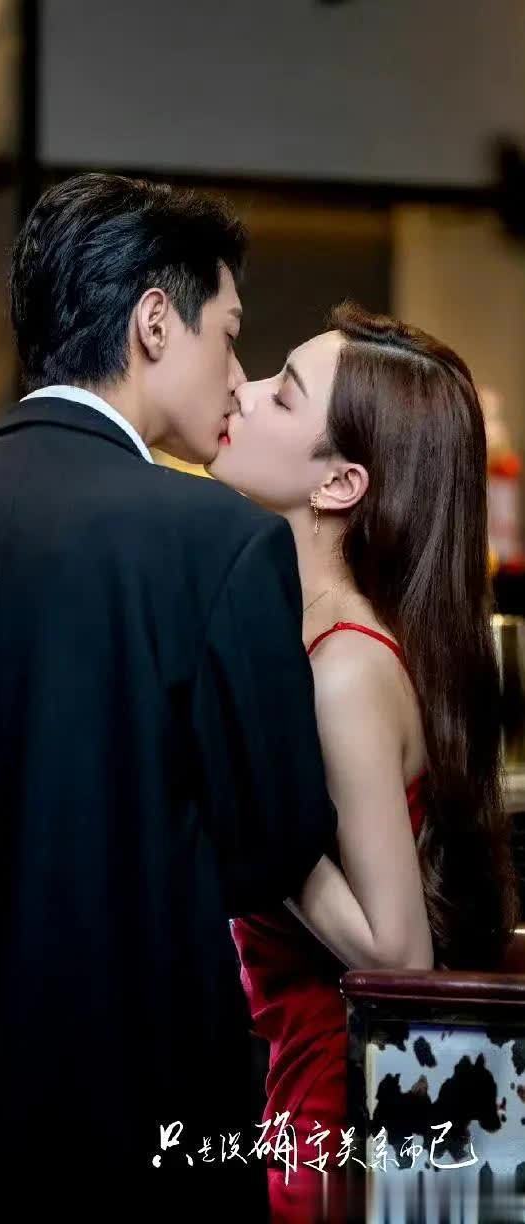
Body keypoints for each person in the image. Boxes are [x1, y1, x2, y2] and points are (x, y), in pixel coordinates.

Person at [0, 174, 337, 1220]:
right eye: (228, 334)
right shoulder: (220, 543)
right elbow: (272, 842)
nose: (235, 376)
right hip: (138, 1127)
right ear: (155, 322)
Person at [209, 301, 520, 1220]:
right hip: (303, 1095)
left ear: (342, 483)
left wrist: (253, 806)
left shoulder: (345, 668)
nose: (243, 389)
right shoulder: (323, 639)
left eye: (282, 393)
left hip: (336, 1118)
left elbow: (400, 955)